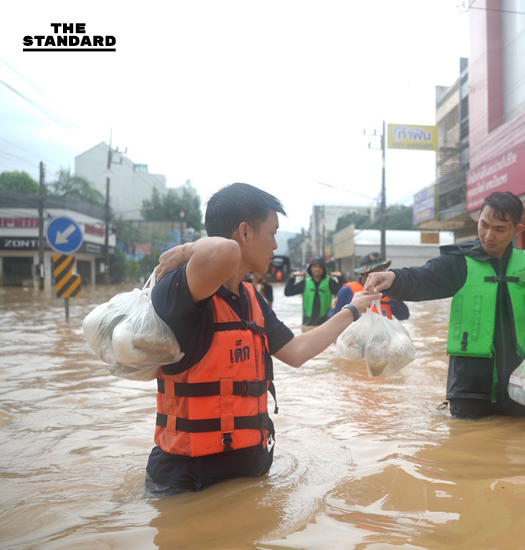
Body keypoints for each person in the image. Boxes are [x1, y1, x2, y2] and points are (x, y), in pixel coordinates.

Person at [146, 183, 380, 495]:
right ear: (245, 232)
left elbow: (296, 352)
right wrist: (187, 250)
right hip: (187, 481)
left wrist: (352, 310)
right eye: (272, 232)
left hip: (246, 473)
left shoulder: (250, 297)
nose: (275, 244)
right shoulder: (181, 289)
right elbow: (224, 252)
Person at [364, 192, 525, 419]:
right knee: (465, 438)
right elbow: (421, 278)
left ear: (517, 230)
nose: (488, 235)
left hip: (522, 388)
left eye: (499, 229)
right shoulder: (459, 263)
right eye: (484, 225)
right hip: (469, 390)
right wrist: (392, 278)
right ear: (478, 217)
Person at [329, 252, 409, 321]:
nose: (382, 275)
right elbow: (333, 320)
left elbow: (404, 315)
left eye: (382, 270)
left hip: (384, 334)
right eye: (378, 271)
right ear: (366, 273)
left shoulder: (387, 290)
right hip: (357, 334)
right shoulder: (347, 290)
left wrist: (392, 292)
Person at [284, 258, 346, 330]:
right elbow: (288, 292)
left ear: (324, 269)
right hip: (308, 321)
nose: (317, 269)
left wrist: (340, 277)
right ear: (311, 268)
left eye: (320, 267)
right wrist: (292, 277)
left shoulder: (330, 282)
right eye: (315, 266)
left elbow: (344, 292)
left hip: (325, 321)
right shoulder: (305, 282)